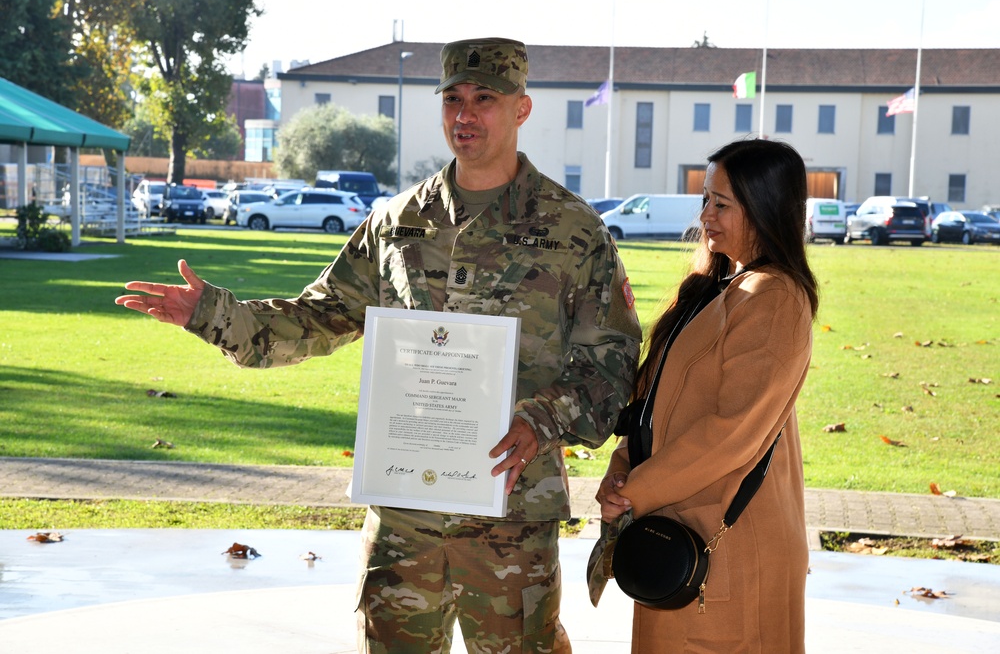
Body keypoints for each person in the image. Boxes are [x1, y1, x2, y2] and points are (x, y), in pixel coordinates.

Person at [116, 37, 641, 653]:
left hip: (509, 515)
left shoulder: (574, 232)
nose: (464, 115)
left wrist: (542, 419)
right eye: (452, 98)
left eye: (484, 99)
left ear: (521, 109)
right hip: (404, 513)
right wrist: (211, 313)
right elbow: (322, 316)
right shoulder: (397, 223)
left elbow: (610, 370)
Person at [596, 138, 818, 652]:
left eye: (722, 204)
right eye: (705, 199)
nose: (706, 215)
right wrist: (624, 463)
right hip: (680, 526)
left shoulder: (774, 296)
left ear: (765, 208)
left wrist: (635, 491)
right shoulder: (721, 285)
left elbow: (732, 431)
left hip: (730, 538)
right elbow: (658, 405)